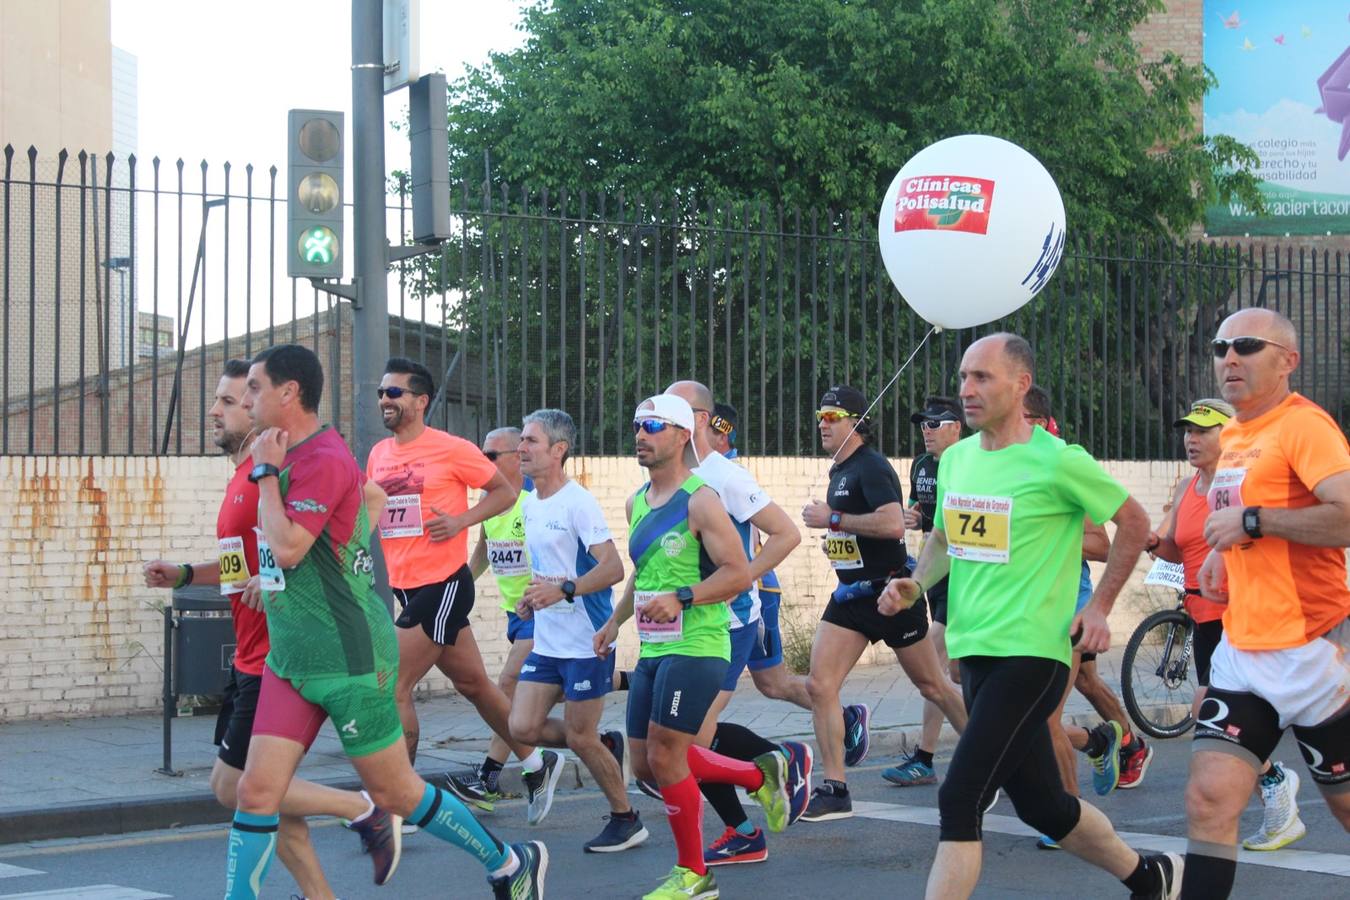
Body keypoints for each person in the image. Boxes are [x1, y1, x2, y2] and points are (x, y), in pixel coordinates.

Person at [225, 344, 546, 900]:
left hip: (349, 656)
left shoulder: (316, 458)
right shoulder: (308, 456)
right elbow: (369, 496)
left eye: (254, 387)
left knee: (399, 793)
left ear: (288, 392)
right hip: (291, 657)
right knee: (253, 792)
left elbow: (290, 545)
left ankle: (508, 861)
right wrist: (352, 547)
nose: (246, 399)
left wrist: (268, 477)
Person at [881, 333, 1181, 900]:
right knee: (1045, 806)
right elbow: (945, 538)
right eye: (964, 377)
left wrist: (1099, 606)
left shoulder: (1057, 459)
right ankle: (1151, 877)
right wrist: (915, 583)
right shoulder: (959, 460)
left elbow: (1134, 523)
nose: (966, 390)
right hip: (974, 651)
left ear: (1020, 385)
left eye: (982, 378)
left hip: (1034, 653)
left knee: (959, 796)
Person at [143, 360, 389, 900]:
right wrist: (187, 574)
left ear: (262, 409)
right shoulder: (245, 475)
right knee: (257, 795)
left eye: (232, 400)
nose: (219, 410)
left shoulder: (285, 469)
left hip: (278, 654)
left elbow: (369, 499)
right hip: (249, 653)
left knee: (238, 788)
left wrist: (304, 568)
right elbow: (242, 564)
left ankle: (362, 808)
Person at [593, 394, 803, 900]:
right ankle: (759, 774)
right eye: (638, 425)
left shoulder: (703, 498)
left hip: (701, 643)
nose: (641, 434)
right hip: (654, 647)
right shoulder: (636, 501)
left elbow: (736, 574)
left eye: (654, 426)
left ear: (684, 434)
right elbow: (645, 577)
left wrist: (684, 598)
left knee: (670, 758)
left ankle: (694, 875)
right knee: (646, 763)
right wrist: (615, 623)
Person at [1180, 309, 1350, 899]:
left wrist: (1253, 520)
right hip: (1242, 653)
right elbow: (1238, 522)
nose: (1229, 357)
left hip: (1315, 655)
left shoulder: (1305, 426)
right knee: (1207, 800)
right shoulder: (1237, 436)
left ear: (1287, 361)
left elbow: (1346, 515)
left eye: (1246, 346)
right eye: (1221, 346)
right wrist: (1223, 555)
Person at [366, 358, 562, 827]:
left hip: (444, 583)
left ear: (420, 401)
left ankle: (396, 806)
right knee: (474, 685)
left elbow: (502, 493)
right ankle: (537, 765)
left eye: (394, 393)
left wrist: (460, 521)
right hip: (406, 585)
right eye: (381, 393)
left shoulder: (450, 449)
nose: (384, 401)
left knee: (391, 686)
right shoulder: (378, 454)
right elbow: (375, 509)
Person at [664, 382, 814, 868]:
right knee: (680, 741)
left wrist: (740, 578)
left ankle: (749, 817)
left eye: (678, 411)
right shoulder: (671, 477)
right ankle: (776, 766)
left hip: (728, 624)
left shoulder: (724, 475)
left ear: (702, 420)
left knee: (685, 741)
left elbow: (785, 533)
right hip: (683, 625)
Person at [800, 386, 968, 821]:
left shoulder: (871, 467)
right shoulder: (840, 470)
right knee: (820, 685)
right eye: (821, 414)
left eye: (832, 415)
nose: (823, 422)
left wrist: (833, 519)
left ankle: (992, 759)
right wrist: (837, 538)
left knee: (934, 687)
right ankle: (836, 787)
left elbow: (893, 525)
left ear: (855, 421)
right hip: (851, 597)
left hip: (892, 593)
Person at [1147, 397, 1306, 852]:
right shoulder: (1186, 488)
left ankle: (1275, 787)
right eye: (1187, 430)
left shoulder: (1243, 483)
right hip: (1202, 615)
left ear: (1229, 435)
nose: (1191, 439)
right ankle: (1276, 785)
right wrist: (1154, 541)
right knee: (1229, 716)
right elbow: (1179, 549)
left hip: (1243, 612)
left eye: (1203, 430)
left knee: (1208, 707)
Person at [506, 408, 648, 851]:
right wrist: (533, 600)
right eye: (522, 441)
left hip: (587, 640)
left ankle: (626, 818)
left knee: (579, 736)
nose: (521, 449)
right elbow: (549, 571)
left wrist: (565, 590)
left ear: (558, 450)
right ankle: (603, 745)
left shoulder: (579, 502)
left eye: (531, 441)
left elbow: (612, 567)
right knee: (522, 726)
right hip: (548, 641)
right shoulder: (529, 502)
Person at [1020, 387, 1139, 852]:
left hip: (1068, 604)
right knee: (1076, 689)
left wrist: (1037, 536)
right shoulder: (997, 463)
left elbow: (1102, 544)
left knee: (1045, 716)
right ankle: (1105, 740)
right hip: (1024, 608)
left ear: (1042, 420)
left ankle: (1068, 815)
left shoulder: (1065, 461)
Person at [448, 426, 534, 811]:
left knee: (508, 684)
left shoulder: (534, 501)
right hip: (513, 613)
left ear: (518, 456)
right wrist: (458, 587)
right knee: (547, 695)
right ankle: (604, 743)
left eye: (491, 456)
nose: (483, 463)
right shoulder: (492, 501)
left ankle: (489, 777)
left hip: (546, 613)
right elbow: (485, 549)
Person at [883, 396, 963, 788]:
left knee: (933, 660)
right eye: (923, 424)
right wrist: (910, 515)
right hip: (935, 573)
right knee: (952, 671)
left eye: (935, 423)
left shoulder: (969, 462)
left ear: (957, 427)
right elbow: (917, 506)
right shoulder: (921, 464)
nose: (926, 430)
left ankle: (930, 756)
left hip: (965, 572)